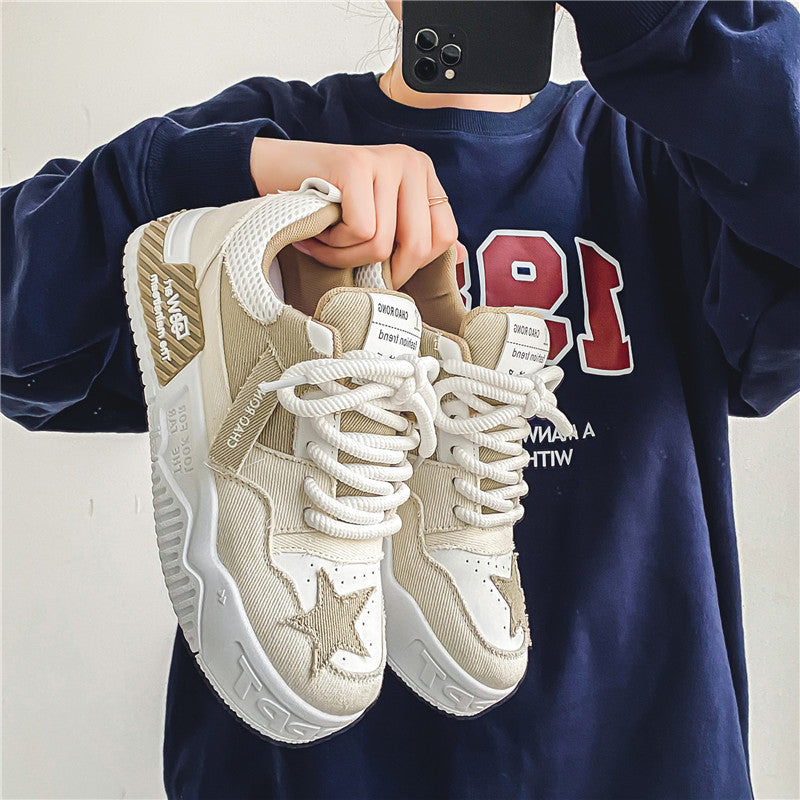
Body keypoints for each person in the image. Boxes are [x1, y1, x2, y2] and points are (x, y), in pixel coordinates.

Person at [3, 1, 799, 797]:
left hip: (640, 764)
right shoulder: (273, 139)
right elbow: (20, 332)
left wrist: (659, 17)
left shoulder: (670, 158)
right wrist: (240, 173)